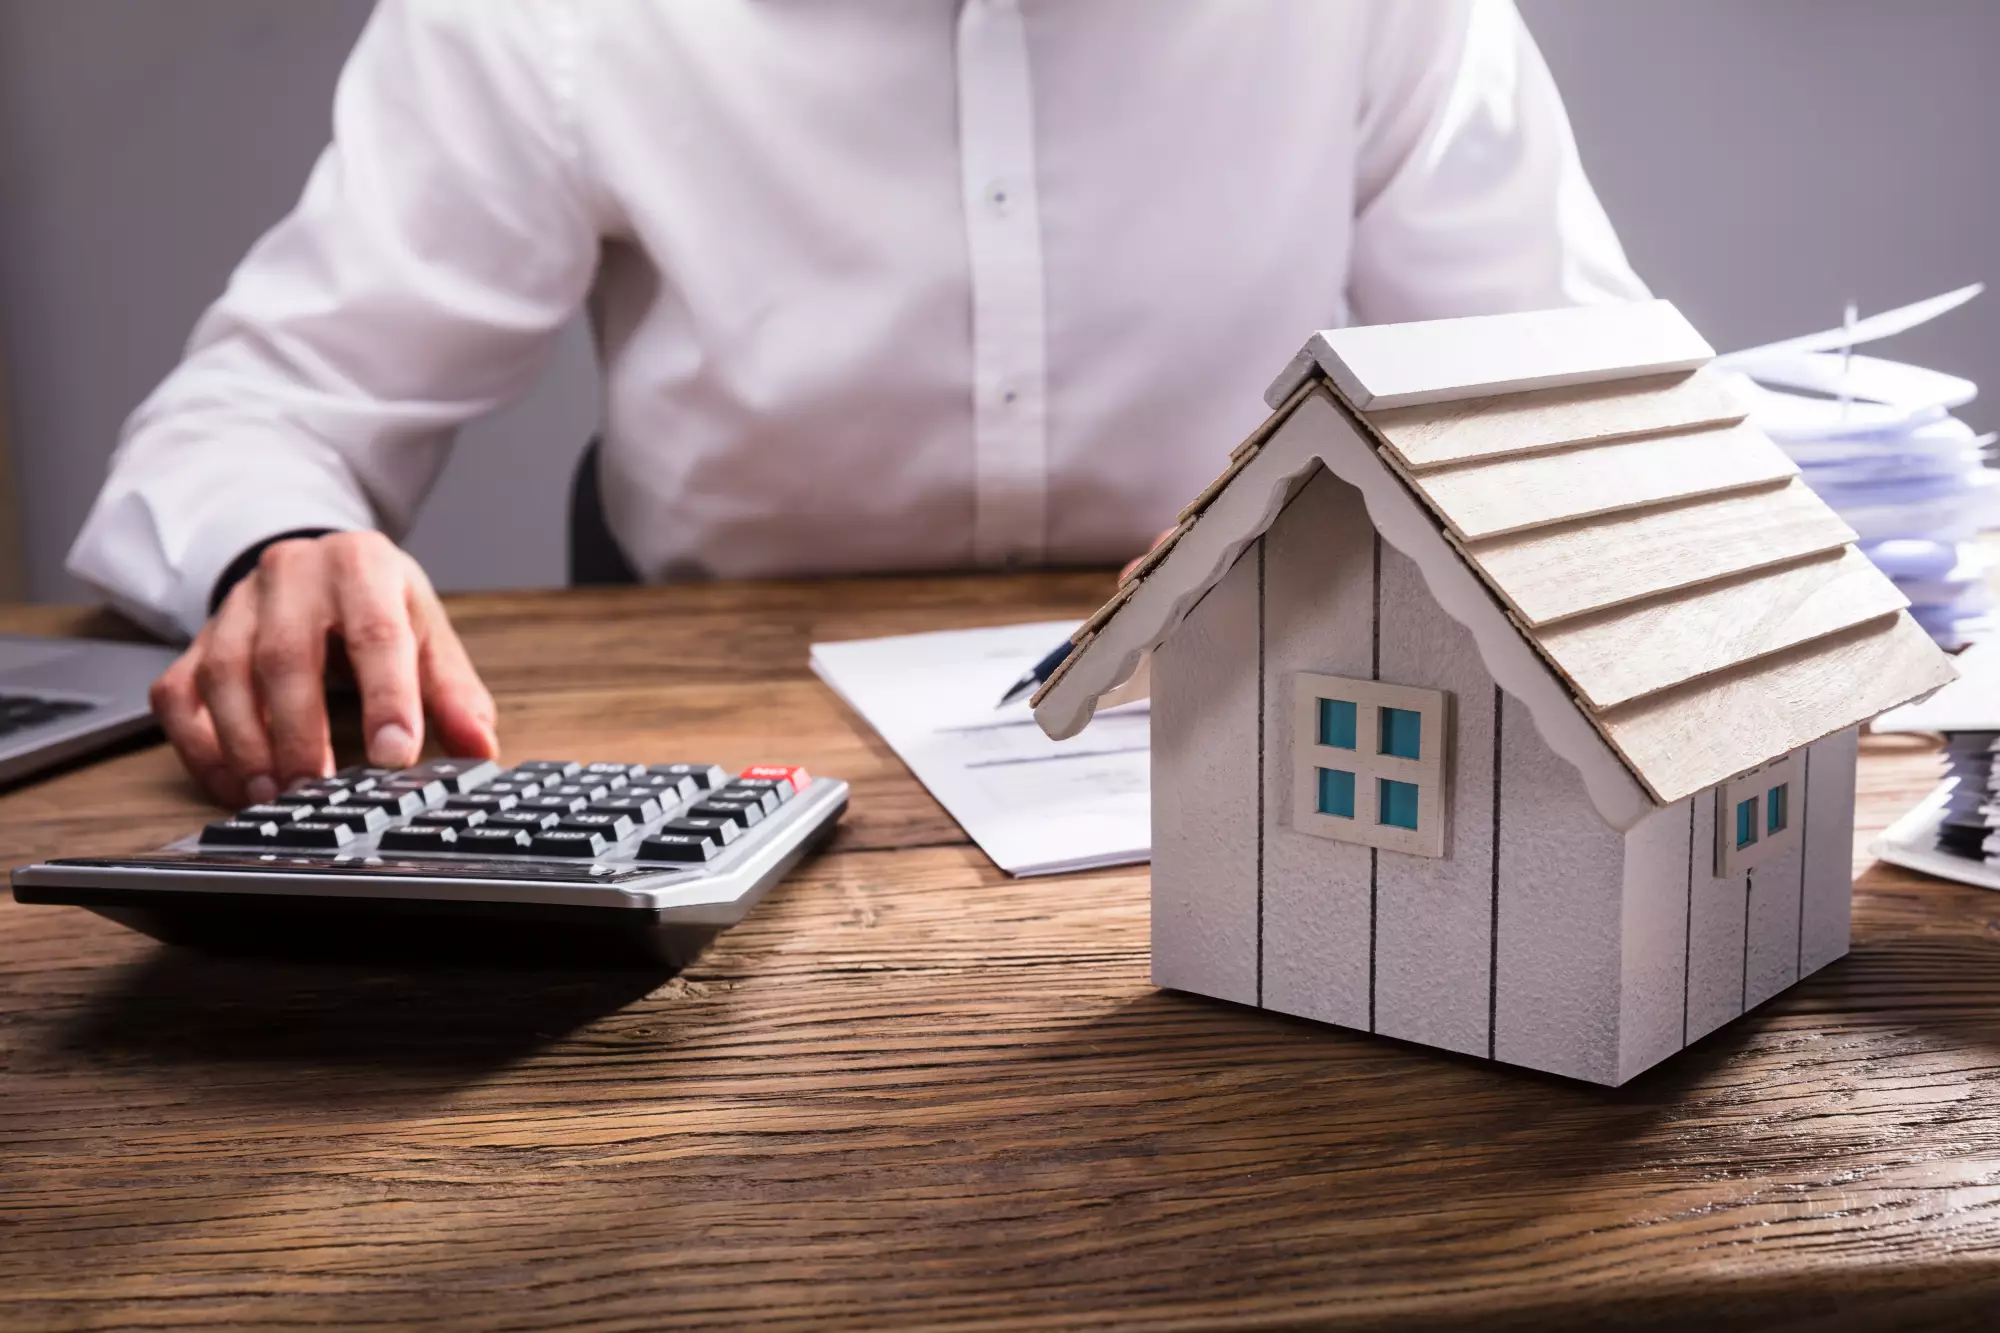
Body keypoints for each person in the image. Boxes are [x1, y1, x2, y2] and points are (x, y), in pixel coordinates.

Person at [67, 0, 1647, 808]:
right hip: (705, 778)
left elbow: (1595, 406)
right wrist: (286, 537)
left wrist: (1448, 511)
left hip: (1240, 750)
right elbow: (248, 418)